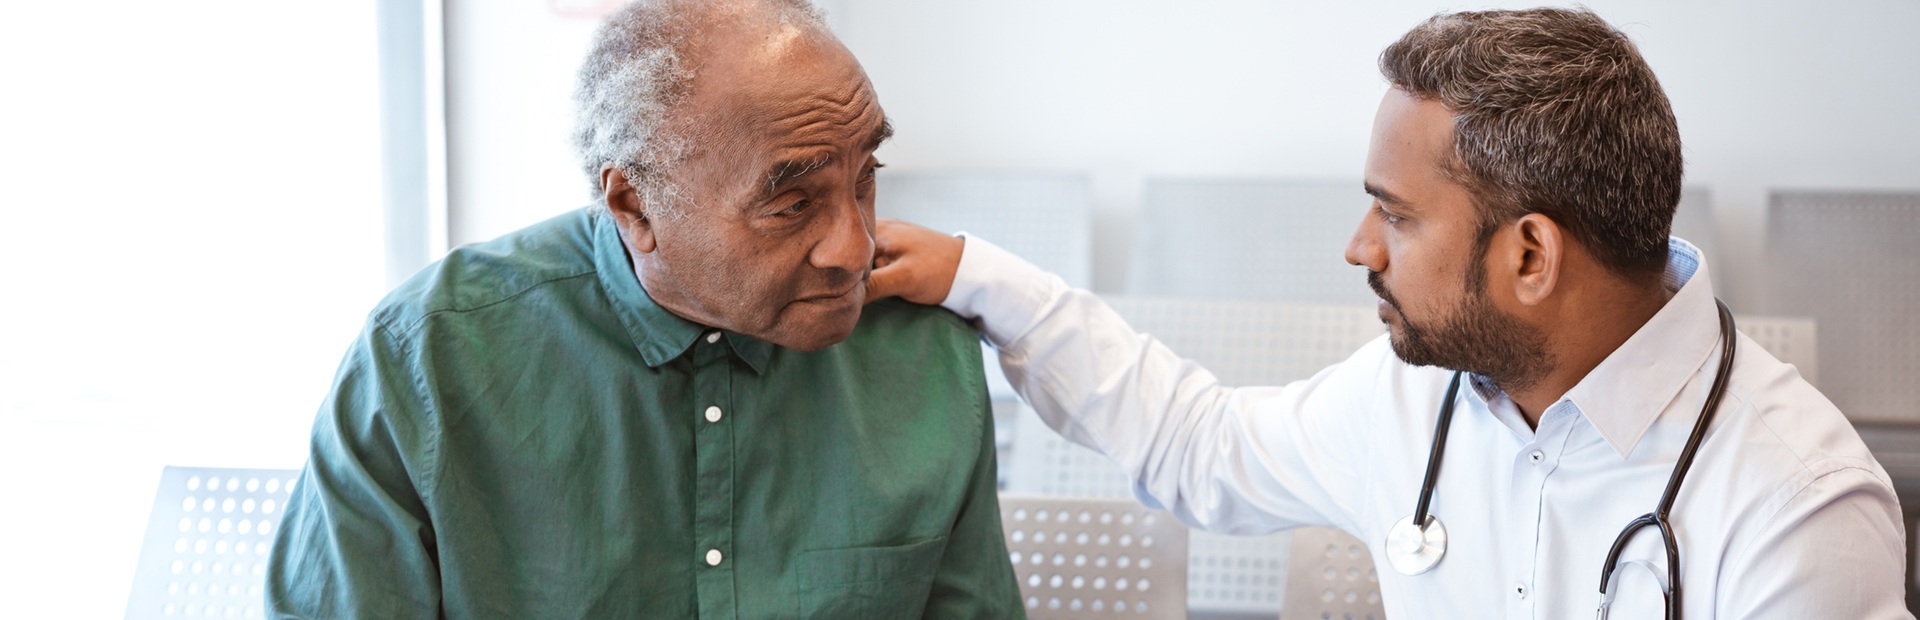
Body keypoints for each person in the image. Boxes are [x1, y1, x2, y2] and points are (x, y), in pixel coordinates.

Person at [869, 7, 1911, 619]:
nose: (1360, 249)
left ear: (1531, 256)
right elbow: (1199, 442)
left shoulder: (1797, 508)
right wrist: (976, 276)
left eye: (1397, 216)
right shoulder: (1415, 400)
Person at [266, 1, 1024, 617]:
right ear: (634, 205)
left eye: (865, 178)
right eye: (791, 205)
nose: (854, 249)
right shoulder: (428, 359)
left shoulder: (922, 351)